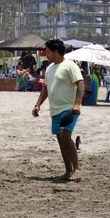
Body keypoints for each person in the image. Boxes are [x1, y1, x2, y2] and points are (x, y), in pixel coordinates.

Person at [32, 38, 84, 182]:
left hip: (69, 107)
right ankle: (68, 171)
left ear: (55, 51)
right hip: (54, 109)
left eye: (47, 51)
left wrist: (77, 104)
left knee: (65, 136)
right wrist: (38, 105)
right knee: (61, 140)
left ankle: (77, 169)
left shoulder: (70, 66)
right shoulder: (50, 68)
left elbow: (80, 84)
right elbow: (46, 89)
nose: (45, 54)